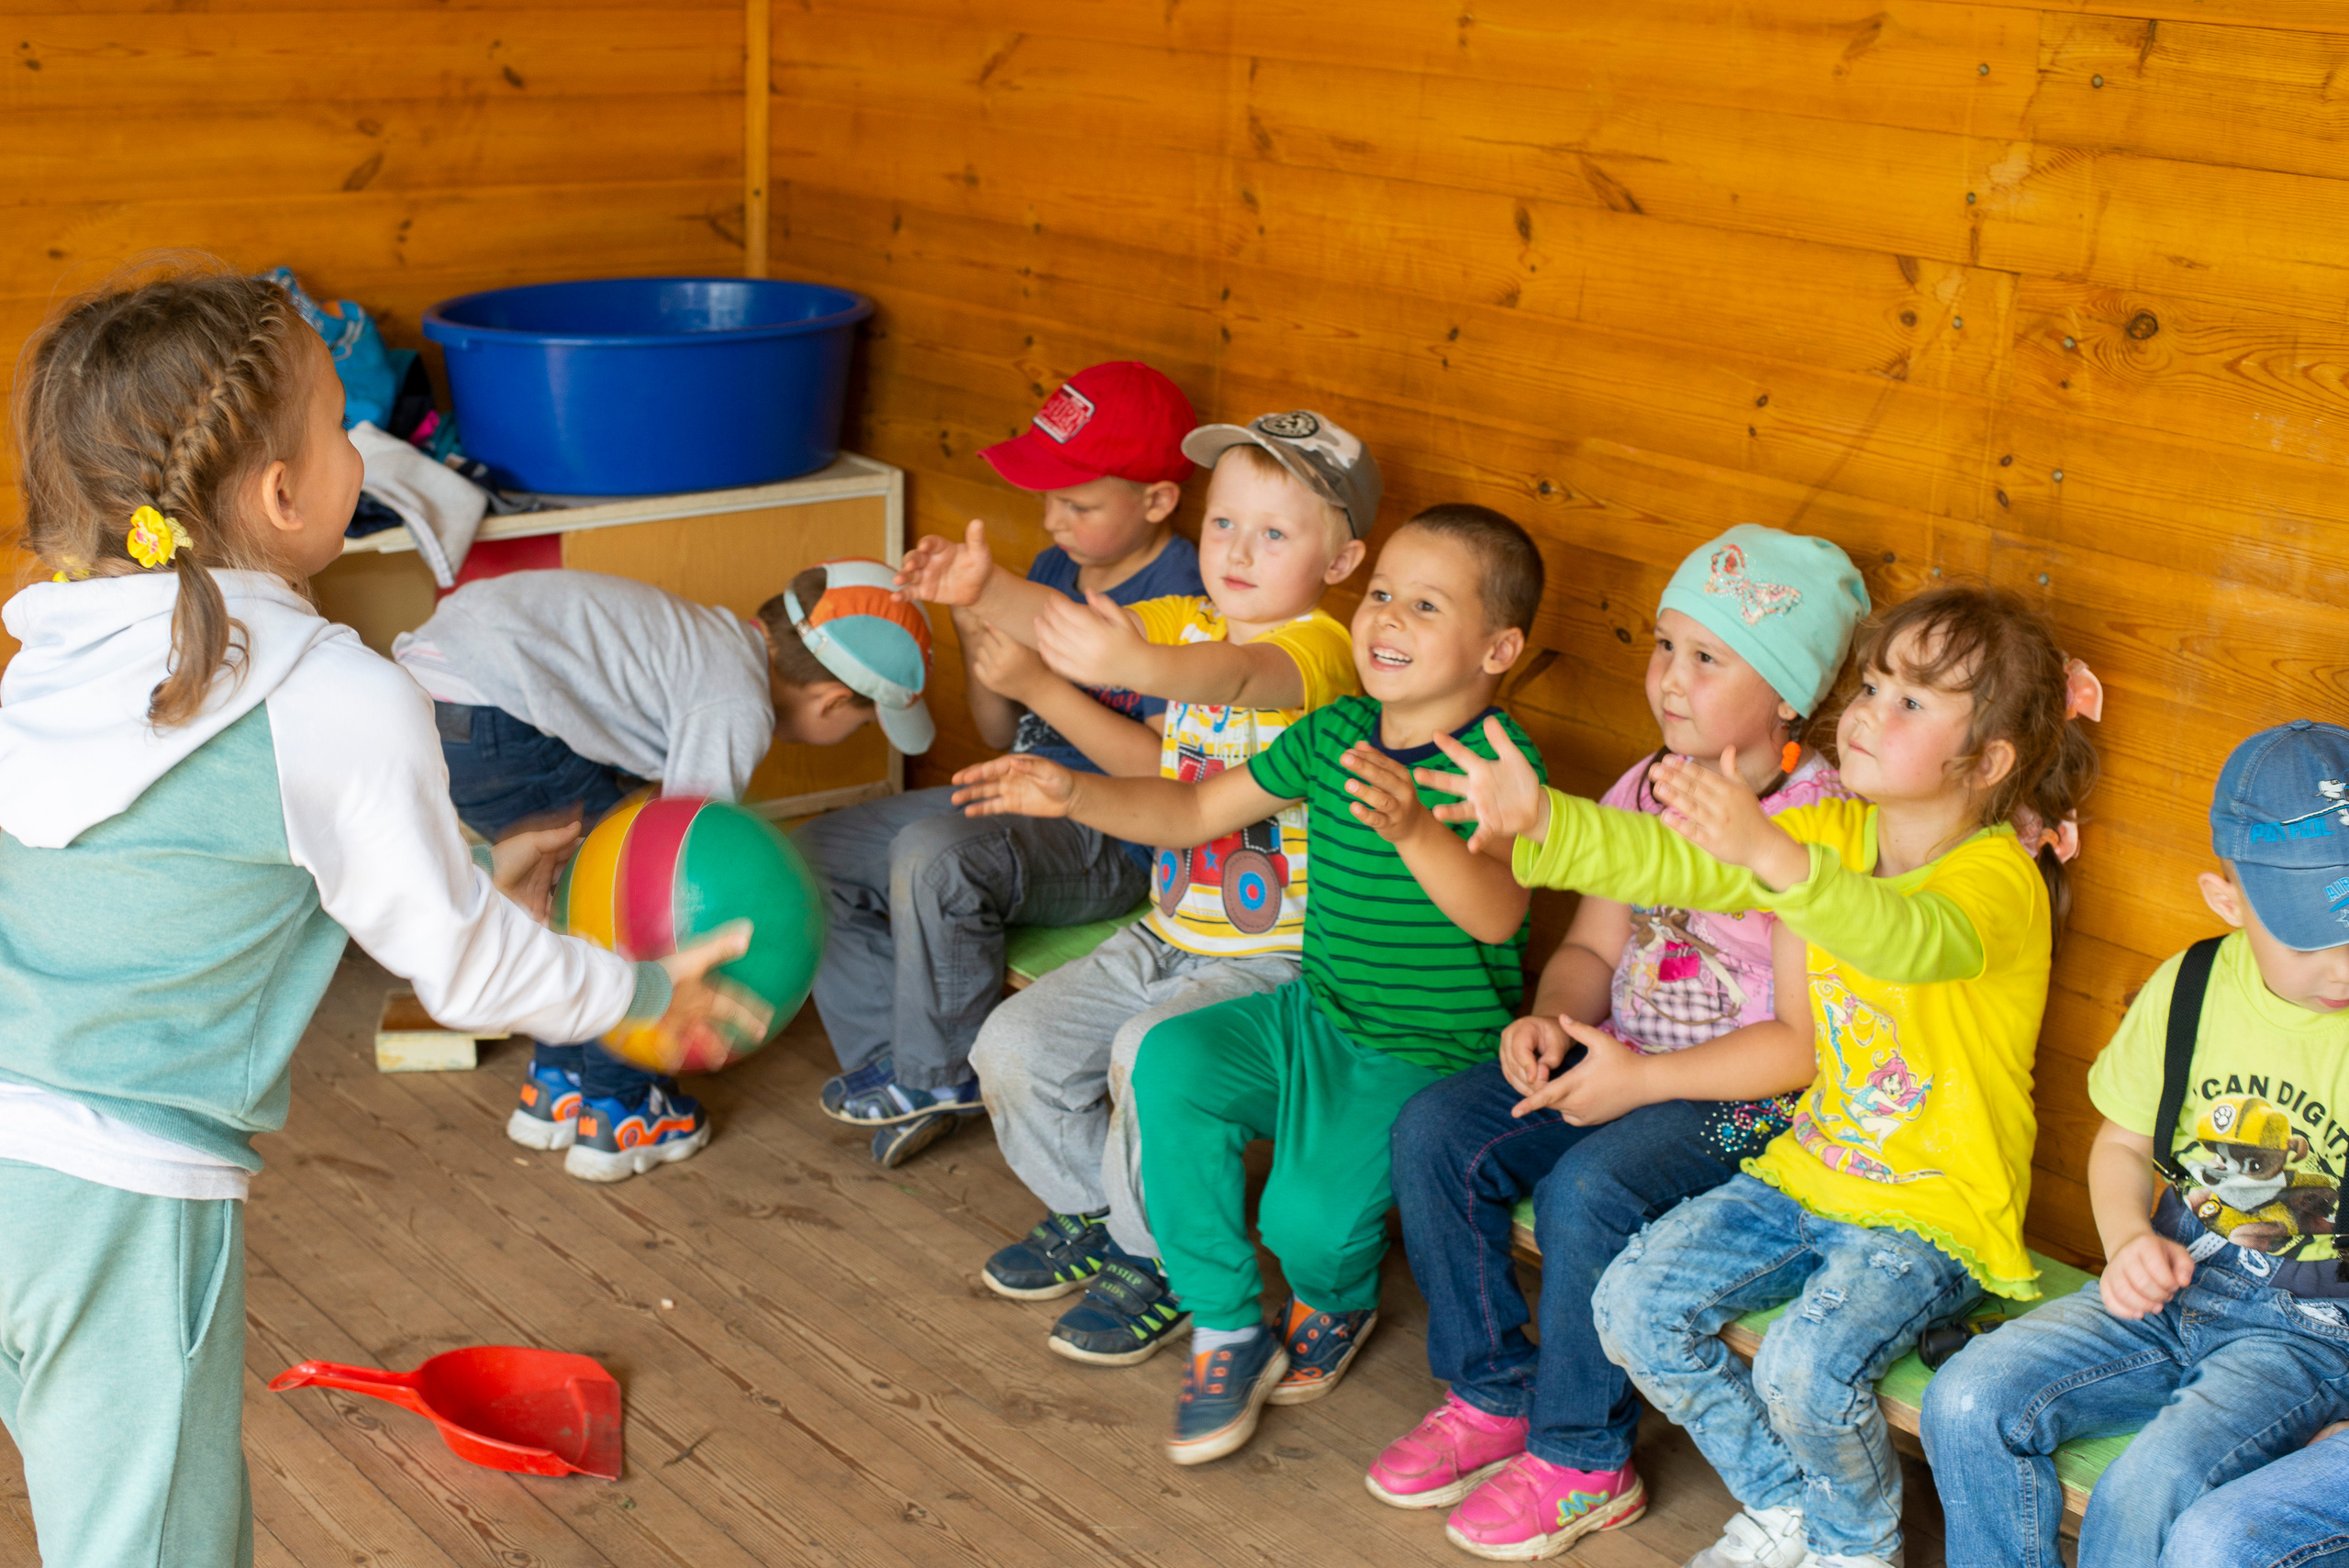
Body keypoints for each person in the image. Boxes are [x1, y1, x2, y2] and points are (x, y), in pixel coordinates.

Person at [0, 262, 749, 1568]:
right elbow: (459, 969)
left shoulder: (56, 649)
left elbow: (209, 861)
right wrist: (637, 991)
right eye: (345, 423)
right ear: (285, 495)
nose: (367, 447)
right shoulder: (331, 691)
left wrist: (471, 858)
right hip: (110, 1194)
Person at [1425, 584, 2099, 1568]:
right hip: (1808, 1169)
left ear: (1988, 759)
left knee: (1800, 1362)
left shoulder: (1998, 879)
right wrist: (1548, 819)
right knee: (1631, 1305)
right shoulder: (1829, 840)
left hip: (1932, 1212)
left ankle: (1854, 1543)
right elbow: (1674, 862)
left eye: (1912, 700)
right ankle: (1788, 1503)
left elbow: (1901, 937)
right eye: (1871, 684)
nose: (1868, 709)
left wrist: (1774, 855)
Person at [952, 505, 1548, 1466]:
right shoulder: (1338, 731)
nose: (1386, 619)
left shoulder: (1497, 766)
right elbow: (1192, 806)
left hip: (1426, 1052)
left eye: (1425, 606)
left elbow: (1496, 916)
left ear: (1497, 647)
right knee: (1165, 1055)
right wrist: (1074, 793)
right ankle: (1225, 1324)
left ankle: (1338, 1298)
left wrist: (1415, 831)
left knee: (1302, 1223)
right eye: (1383, 595)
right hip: (1315, 1010)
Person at [1373, 526, 1869, 1560]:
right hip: (1621, 1062)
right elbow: (1592, 946)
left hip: (1750, 1103)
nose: (1670, 680)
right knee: (1434, 1129)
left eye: (1707, 657)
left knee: (1588, 1187)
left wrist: (1639, 1078)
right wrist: (1550, 1021)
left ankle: (1583, 1455)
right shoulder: (1644, 783)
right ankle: (1492, 1391)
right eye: (1663, 646)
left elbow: (1798, 1049)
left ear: (1785, 694)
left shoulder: (1815, 829)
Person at [968, 411, 1373, 1366]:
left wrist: (1134, 666)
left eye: (1275, 533)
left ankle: (1161, 1260)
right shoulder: (1186, 617)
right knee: (1011, 1047)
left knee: (1149, 1056)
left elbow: (1237, 674)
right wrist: (986, 589)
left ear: (1342, 558)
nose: (1237, 550)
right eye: (1225, 523)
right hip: (1168, 930)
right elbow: (1072, 633)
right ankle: (1109, 1219)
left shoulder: (1319, 652)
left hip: (1274, 960)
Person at [1920, 720, 2349, 1568]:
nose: (2345, 963)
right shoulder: (2190, 984)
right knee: (1967, 1395)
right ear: (2228, 901)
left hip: (2298, 1335)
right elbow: (2121, 1142)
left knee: (2149, 1487)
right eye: (2310, 936)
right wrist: (2126, 1242)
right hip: (2170, 1290)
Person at [400, 559, 933, 1181]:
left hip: (441, 698)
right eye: (863, 722)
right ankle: (622, 1109)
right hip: (499, 710)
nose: (855, 731)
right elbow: (680, 855)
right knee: (629, 900)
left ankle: (561, 1076)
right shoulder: (736, 702)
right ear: (832, 699)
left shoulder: (710, 640)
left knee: (563, 897)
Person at [796, 361, 1206, 1166]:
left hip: (1113, 829)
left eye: (1079, 503)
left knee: (932, 854)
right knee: (814, 855)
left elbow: (1170, 777)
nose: (1053, 520)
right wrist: (973, 640)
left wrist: (1041, 684)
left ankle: (940, 1072)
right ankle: (901, 1064)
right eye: (1048, 497)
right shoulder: (1055, 571)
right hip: (1020, 792)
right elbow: (999, 730)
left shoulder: (1186, 591)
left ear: (1158, 499)